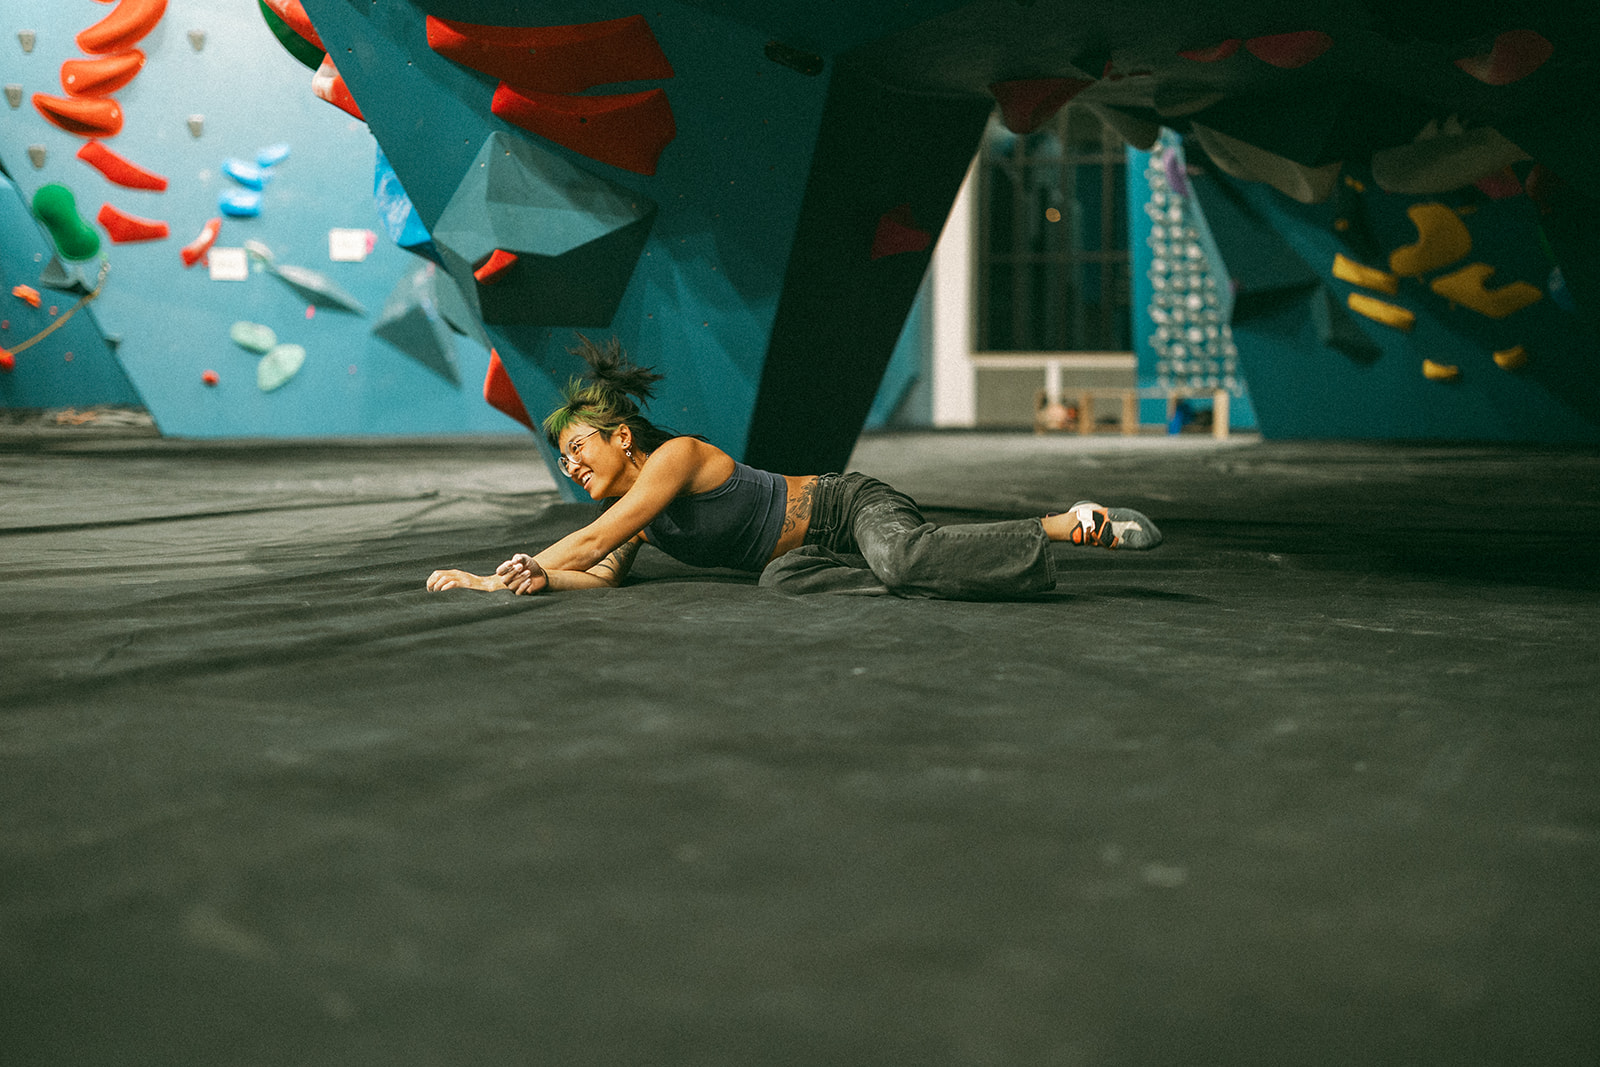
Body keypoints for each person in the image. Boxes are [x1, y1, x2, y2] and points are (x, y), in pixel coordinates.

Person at [426, 337, 1161, 600]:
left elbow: (595, 537)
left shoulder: (675, 459)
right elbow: (594, 571)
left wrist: (491, 576)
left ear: (622, 437)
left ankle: (1066, 523)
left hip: (849, 508)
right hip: (810, 557)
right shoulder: (641, 525)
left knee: (903, 559)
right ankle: (927, 572)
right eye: (562, 458)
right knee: (787, 583)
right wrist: (536, 578)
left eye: (578, 447)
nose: (571, 463)